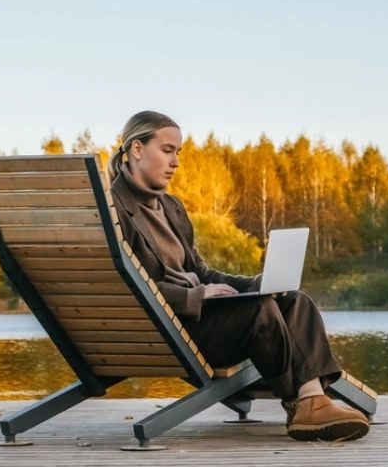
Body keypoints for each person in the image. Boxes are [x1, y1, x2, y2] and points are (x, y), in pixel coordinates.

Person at [107, 110, 370, 442]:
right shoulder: (112, 209)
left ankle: (311, 399)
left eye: (178, 152)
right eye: (167, 150)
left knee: (294, 301)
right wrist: (196, 297)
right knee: (261, 312)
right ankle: (307, 402)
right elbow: (124, 288)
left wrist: (255, 285)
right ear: (136, 149)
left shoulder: (171, 207)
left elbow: (199, 272)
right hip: (173, 329)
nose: (175, 161)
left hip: (202, 319)